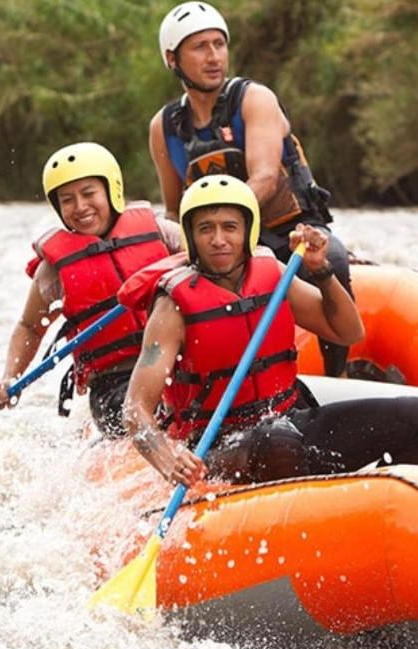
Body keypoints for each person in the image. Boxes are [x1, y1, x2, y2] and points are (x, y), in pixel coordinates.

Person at [122, 175, 418, 487]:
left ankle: (377, 508)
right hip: (217, 445)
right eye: (206, 229)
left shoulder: (272, 274)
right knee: (278, 441)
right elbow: (136, 409)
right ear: (191, 237)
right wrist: (169, 460)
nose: (219, 240)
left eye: (230, 227)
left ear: (247, 232)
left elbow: (347, 332)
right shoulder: (172, 308)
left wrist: (322, 271)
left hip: (290, 418)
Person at [149, 1, 353, 377]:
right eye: (199, 47)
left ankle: (336, 373)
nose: (214, 57)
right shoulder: (165, 127)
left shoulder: (254, 99)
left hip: (289, 231)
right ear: (172, 59)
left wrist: (232, 229)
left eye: (219, 44)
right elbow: (175, 210)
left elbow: (265, 177)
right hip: (221, 239)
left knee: (334, 262)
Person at [0, 142, 182, 438]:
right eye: (67, 199)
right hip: (115, 382)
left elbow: (205, 257)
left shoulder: (160, 232)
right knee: (142, 410)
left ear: (111, 190)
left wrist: (167, 267)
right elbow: (29, 326)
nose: (80, 207)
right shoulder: (54, 271)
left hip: (180, 364)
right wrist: (9, 378)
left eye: (89, 193)